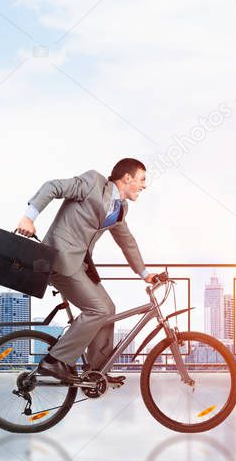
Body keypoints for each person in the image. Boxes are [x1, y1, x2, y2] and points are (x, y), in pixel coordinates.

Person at [16, 158, 157, 382]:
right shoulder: (93, 182)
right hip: (59, 259)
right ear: (127, 178)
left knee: (108, 309)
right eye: (141, 180)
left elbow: (127, 241)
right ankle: (55, 361)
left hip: (80, 265)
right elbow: (53, 187)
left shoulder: (120, 208)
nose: (144, 185)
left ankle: (96, 372)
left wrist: (145, 274)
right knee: (99, 309)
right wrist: (28, 218)